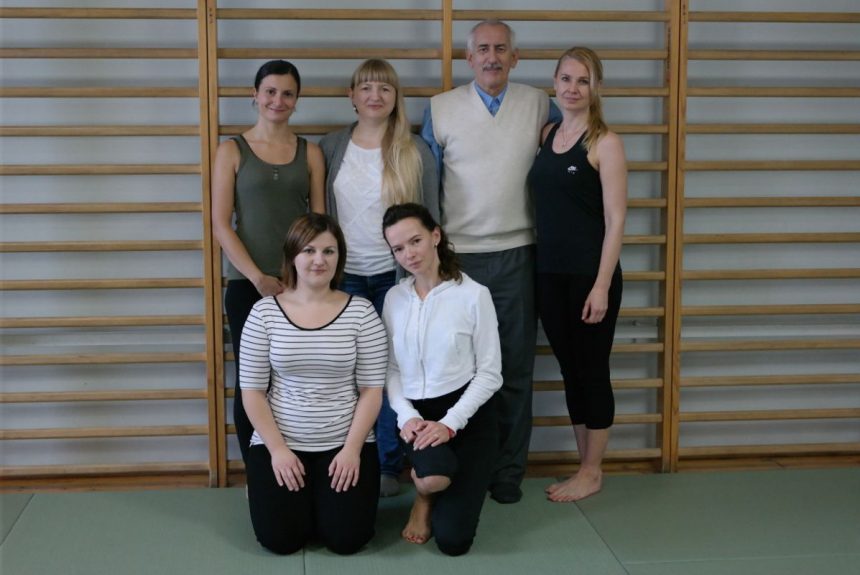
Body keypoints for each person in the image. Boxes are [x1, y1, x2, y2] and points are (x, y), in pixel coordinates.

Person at [421, 19, 558, 504]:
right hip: (458, 258)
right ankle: (462, 469)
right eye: (482, 49)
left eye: (501, 49)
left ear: (515, 58)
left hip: (518, 253)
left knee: (514, 369)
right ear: (468, 57)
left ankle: (507, 472)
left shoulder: (540, 104)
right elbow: (428, 188)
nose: (492, 57)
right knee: (457, 370)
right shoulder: (439, 109)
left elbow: (565, 158)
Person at [320, 58, 440, 497]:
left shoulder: (415, 150)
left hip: (395, 279)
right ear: (351, 96)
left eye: (385, 88)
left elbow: (431, 218)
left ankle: (389, 464)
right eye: (366, 87)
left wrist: (430, 279)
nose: (375, 95)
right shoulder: (330, 146)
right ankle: (344, 457)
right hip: (344, 277)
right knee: (347, 372)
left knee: (391, 372)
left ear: (395, 98)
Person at [239, 213, 387, 554]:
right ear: (293, 255)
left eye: (328, 251)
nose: (319, 260)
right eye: (309, 250)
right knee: (280, 541)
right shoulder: (264, 313)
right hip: (280, 444)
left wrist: (352, 450)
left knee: (347, 540)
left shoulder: (362, 312)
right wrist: (278, 450)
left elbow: (371, 391)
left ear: (339, 257)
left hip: (344, 444)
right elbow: (253, 392)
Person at [212, 60, 325, 465]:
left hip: (300, 287)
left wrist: (302, 278)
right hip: (248, 285)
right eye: (271, 91)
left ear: (297, 100)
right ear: (255, 95)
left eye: (287, 93)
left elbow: (319, 226)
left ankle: (296, 462)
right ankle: (258, 471)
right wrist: (258, 277)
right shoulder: (231, 150)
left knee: (296, 377)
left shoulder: (310, 153)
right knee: (253, 382)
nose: (278, 100)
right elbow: (221, 224)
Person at [528, 47, 627, 502]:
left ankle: (592, 470)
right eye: (566, 79)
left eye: (583, 80)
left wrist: (601, 285)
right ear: (555, 82)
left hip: (590, 277)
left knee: (592, 370)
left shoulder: (605, 142)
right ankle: (583, 464)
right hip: (549, 274)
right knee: (571, 371)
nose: (572, 88)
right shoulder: (547, 134)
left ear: (596, 88)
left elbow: (616, 219)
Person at [381, 203, 502, 556]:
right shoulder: (394, 298)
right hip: (419, 419)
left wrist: (450, 424)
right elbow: (391, 369)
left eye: (415, 241)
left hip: (468, 419)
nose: (409, 254)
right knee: (434, 476)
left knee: (453, 542)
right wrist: (407, 416)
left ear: (435, 236)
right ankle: (426, 493)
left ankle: (440, 491)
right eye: (398, 248)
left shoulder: (473, 295)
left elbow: (490, 373)